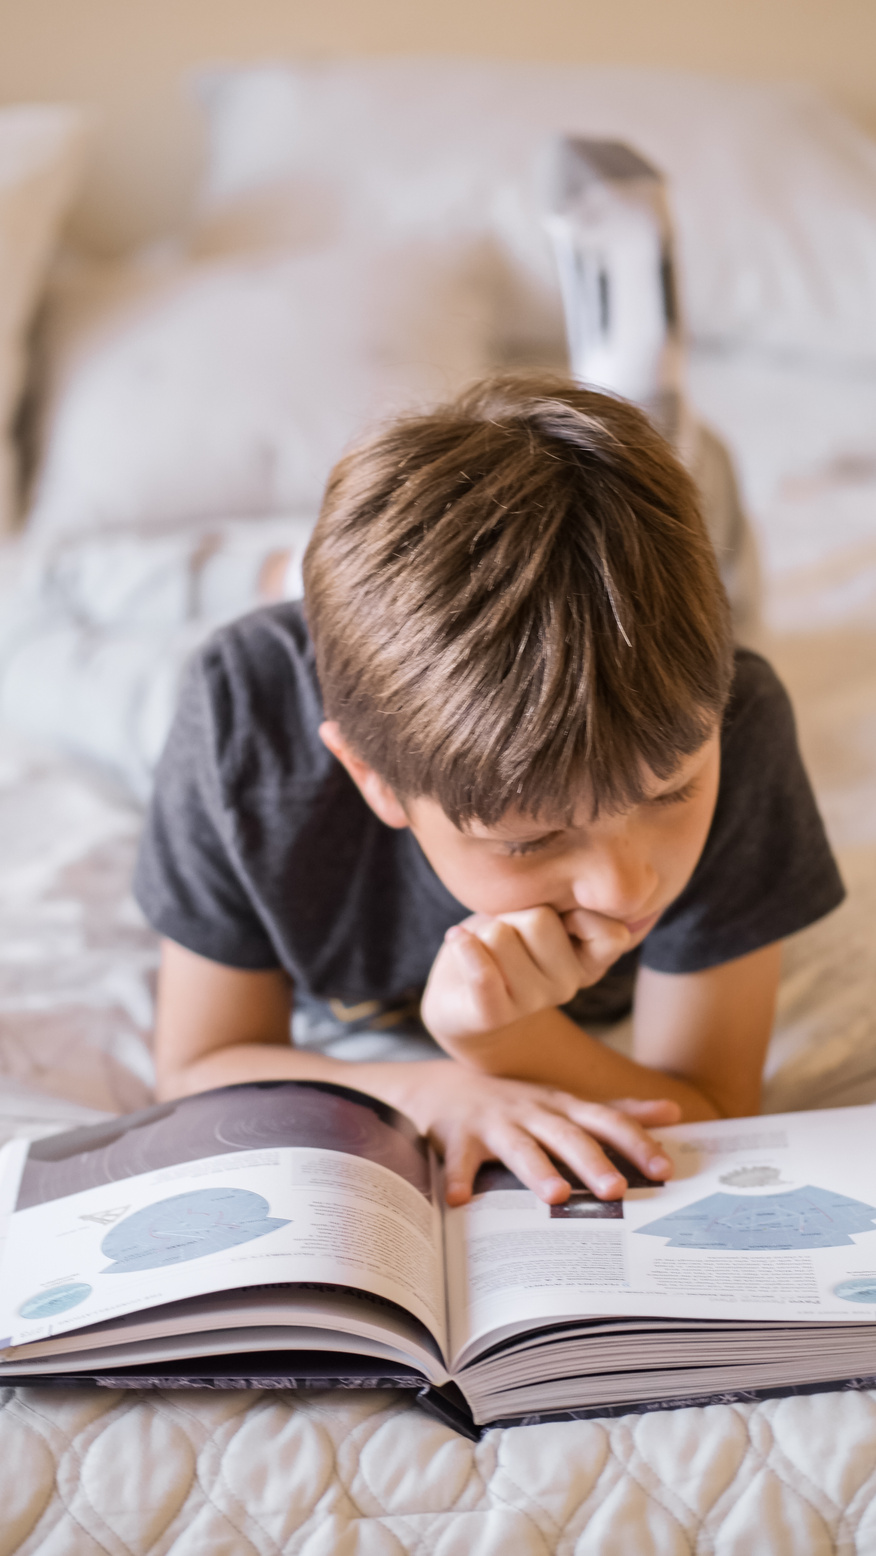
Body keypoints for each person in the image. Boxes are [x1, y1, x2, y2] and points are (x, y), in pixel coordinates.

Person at [134, 376, 844, 1207]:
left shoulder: (733, 720)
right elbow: (196, 1066)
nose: (628, 885)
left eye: (671, 794)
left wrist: (506, 1041)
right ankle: (212, 571)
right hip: (203, 688)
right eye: (532, 841)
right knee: (74, 677)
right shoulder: (241, 726)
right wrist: (427, 1090)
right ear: (375, 780)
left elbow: (712, 1109)